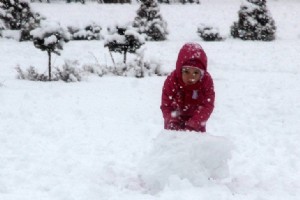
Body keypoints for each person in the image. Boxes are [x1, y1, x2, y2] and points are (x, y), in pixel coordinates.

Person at [160, 42, 215, 132]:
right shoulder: (172, 81)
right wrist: (172, 122)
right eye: (186, 72)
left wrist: (194, 124)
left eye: (196, 73)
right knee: (173, 144)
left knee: (195, 145)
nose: (191, 77)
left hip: (197, 124)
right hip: (173, 123)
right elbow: (166, 105)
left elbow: (207, 106)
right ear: (180, 70)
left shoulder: (206, 81)